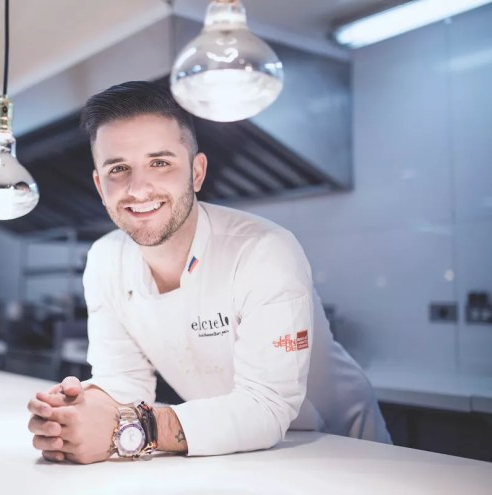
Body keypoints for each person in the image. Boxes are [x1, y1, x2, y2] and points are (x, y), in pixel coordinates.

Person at [26, 81, 391, 464]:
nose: (138, 188)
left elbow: (267, 406)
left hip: (338, 450)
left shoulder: (263, 250)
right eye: (118, 169)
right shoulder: (104, 260)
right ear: (100, 186)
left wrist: (137, 429)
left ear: (197, 172)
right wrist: (72, 414)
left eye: (160, 162)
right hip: (233, 452)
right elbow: (122, 382)